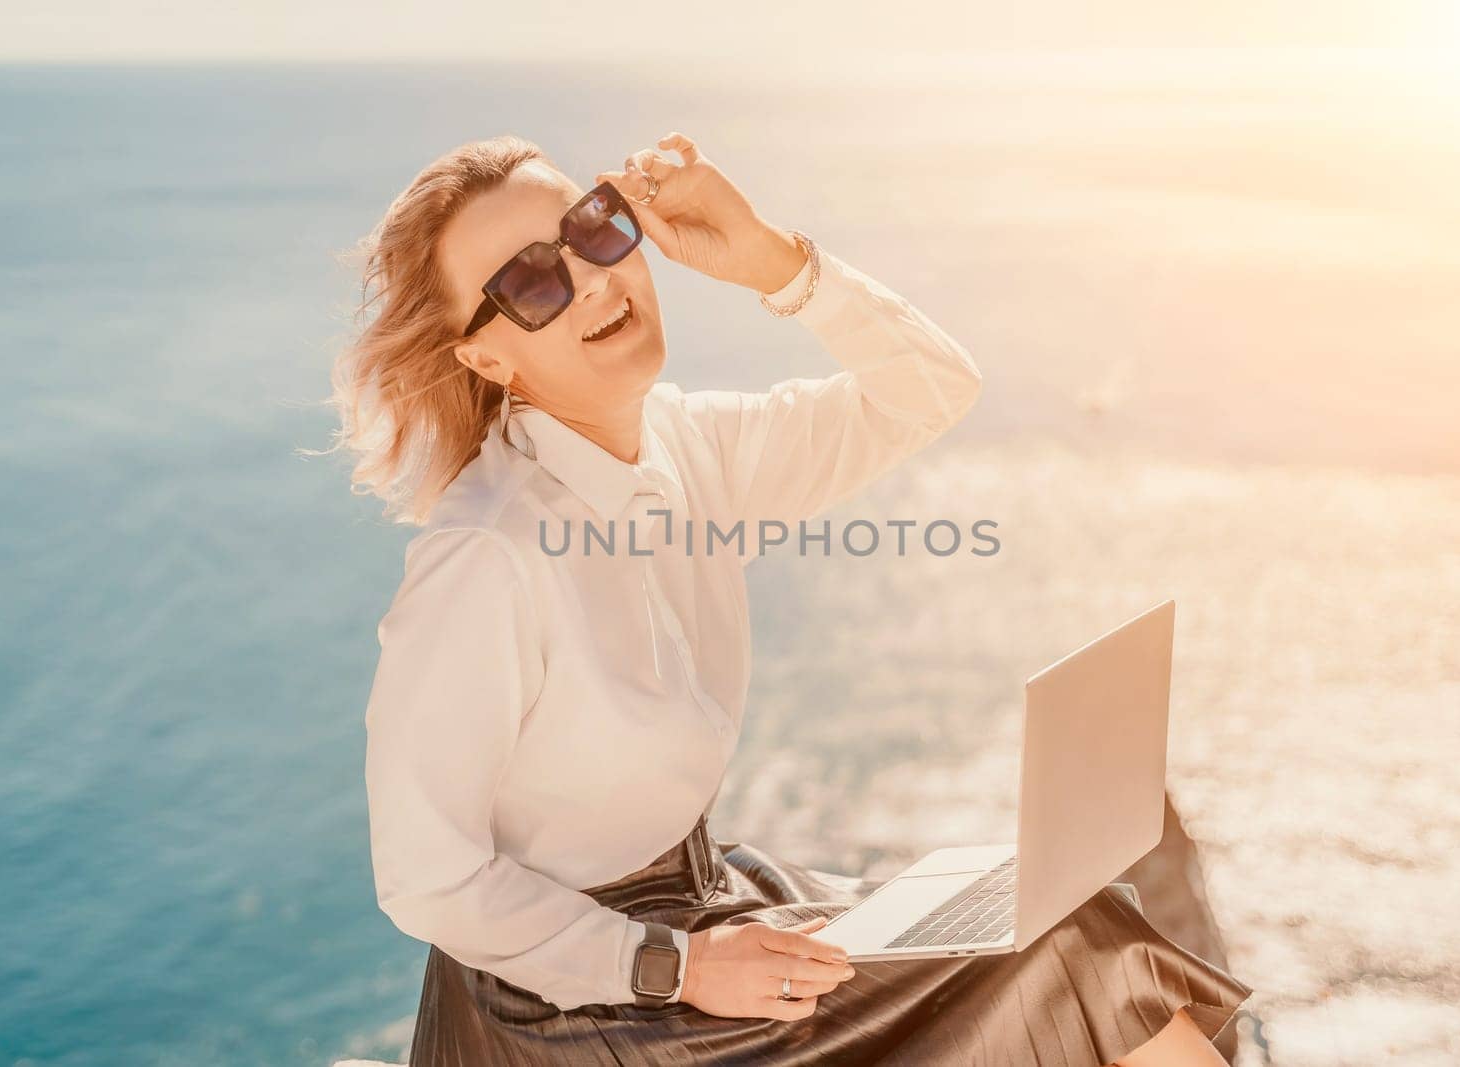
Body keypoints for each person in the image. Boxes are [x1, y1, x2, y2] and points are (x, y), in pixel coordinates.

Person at [333, 131, 1253, 1065]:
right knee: (1081, 945)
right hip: (576, 1002)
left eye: (595, 229)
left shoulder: (690, 448)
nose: (595, 280)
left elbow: (926, 391)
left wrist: (772, 257)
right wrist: (678, 966)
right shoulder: (484, 557)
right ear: (486, 362)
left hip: (709, 903)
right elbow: (426, 877)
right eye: (534, 284)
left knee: (1062, 906)